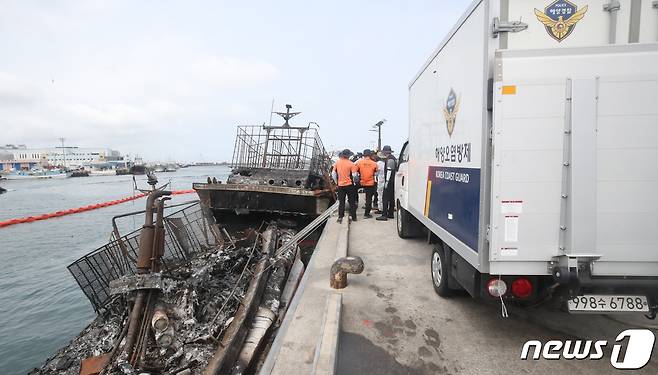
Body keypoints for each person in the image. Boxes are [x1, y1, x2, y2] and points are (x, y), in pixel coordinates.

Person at [332, 149, 358, 223]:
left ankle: (340, 217)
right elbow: (354, 175)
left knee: (341, 202)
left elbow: (333, 173)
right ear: (349, 156)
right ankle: (354, 217)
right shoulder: (351, 164)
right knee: (352, 202)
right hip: (349, 185)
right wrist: (355, 182)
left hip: (341, 185)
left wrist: (337, 182)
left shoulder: (337, 163)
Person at [355, 149, 378, 218]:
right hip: (370, 183)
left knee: (353, 194)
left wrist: (357, 180)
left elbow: (355, 173)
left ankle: (352, 211)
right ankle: (366, 214)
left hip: (361, 182)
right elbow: (377, 173)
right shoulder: (374, 163)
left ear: (363, 155)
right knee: (369, 199)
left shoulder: (359, 163)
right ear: (370, 155)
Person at [376, 145, 397, 221]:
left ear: (385, 152)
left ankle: (384, 215)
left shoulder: (390, 159)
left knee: (385, 198)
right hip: (393, 182)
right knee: (391, 198)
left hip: (389, 181)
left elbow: (389, 171)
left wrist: (387, 182)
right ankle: (390, 213)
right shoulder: (393, 158)